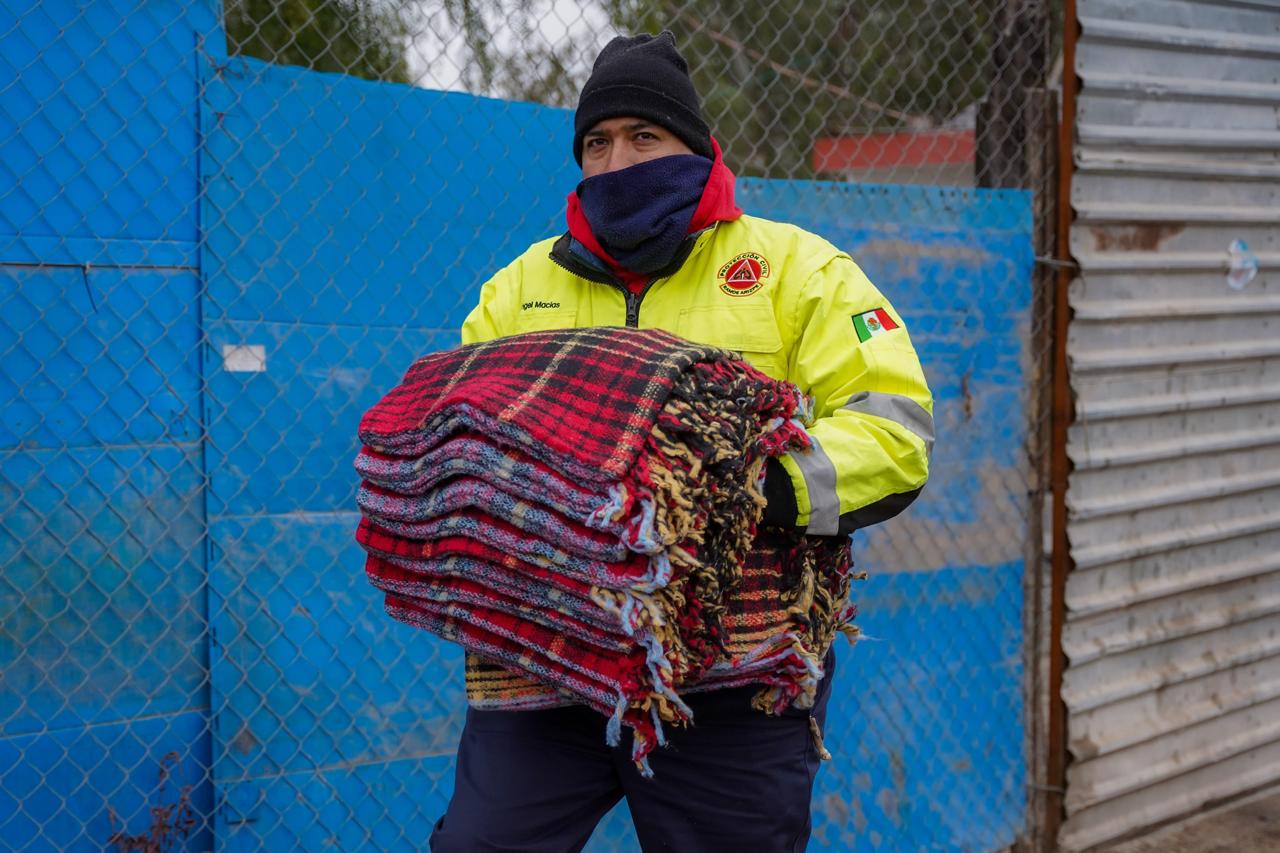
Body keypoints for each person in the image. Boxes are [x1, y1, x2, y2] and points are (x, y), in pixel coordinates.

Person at [432, 31, 933, 853]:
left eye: (643, 137)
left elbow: (895, 428)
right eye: (597, 142)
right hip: (552, 662)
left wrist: (749, 488)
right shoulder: (519, 289)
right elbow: (465, 440)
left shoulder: (793, 269)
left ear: (695, 149)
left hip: (732, 676)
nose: (617, 160)